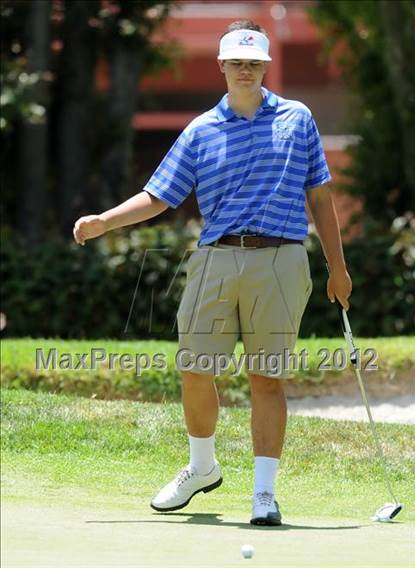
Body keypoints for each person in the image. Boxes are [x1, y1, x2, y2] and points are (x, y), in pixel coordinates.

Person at [73, 20, 352, 526]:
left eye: (254, 62)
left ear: (265, 66)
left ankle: (264, 495)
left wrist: (338, 268)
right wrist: (104, 221)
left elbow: (320, 196)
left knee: (267, 377)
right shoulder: (201, 130)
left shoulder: (298, 118)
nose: (246, 70)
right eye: (237, 62)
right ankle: (202, 468)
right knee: (195, 369)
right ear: (221, 65)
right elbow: (159, 195)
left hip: (282, 258)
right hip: (215, 258)